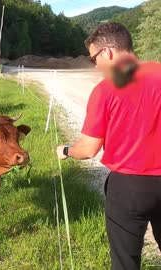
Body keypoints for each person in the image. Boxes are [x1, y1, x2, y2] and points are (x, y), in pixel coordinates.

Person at [56, 22, 161, 270]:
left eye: (94, 58)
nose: (95, 65)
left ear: (108, 52)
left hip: (129, 188)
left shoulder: (106, 89)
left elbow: (89, 149)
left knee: (125, 262)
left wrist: (66, 150)